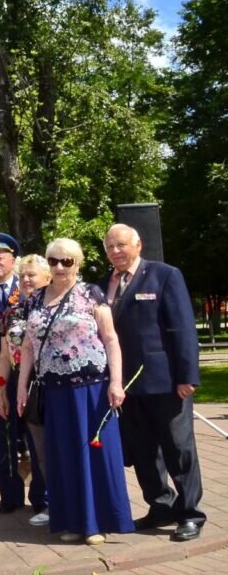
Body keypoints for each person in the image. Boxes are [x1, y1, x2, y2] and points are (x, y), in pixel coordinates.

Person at [17, 238, 133, 545]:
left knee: (93, 455)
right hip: (54, 392)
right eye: (53, 260)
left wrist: (116, 382)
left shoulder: (90, 293)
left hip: (91, 390)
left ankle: (96, 523)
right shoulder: (35, 299)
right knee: (63, 458)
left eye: (66, 261)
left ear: (77, 264)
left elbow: (110, 339)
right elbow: (27, 346)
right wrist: (21, 388)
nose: (59, 267)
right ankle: (70, 521)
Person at [100, 224, 204, 542]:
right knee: (143, 452)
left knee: (178, 449)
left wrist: (187, 376)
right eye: (109, 247)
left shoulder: (164, 275)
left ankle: (190, 513)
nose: (115, 251)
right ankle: (161, 505)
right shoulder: (104, 284)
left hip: (165, 382)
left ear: (138, 244)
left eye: (121, 245)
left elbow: (183, 327)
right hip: (127, 385)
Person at [0, 233, 45, 516]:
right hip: (0, 378)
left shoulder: (31, 287)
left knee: (36, 440)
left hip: (36, 382)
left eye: (0, 257)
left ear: (13, 259)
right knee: (3, 439)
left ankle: (41, 496)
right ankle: (11, 496)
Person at [0, 254, 52, 527]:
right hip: (20, 381)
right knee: (34, 443)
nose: (27, 280)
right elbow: (4, 355)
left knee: (49, 444)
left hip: (50, 382)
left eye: (32, 275)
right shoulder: (12, 313)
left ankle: (50, 500)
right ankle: (41, 499)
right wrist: (0, 390)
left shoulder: (55, 308)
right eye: (22, 276)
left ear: (48, 277)